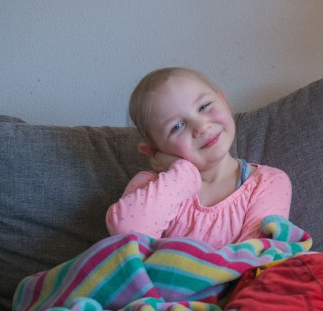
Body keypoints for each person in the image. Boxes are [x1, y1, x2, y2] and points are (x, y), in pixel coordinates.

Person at [106, 67, 292, 247]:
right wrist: (183, 175)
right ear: (154, 150)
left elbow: (259, 255)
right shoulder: (150, 188)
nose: (201, 127)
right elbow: (127, 237)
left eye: (204, 106)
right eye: (177, 127)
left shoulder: (268, 182)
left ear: (223, 101)